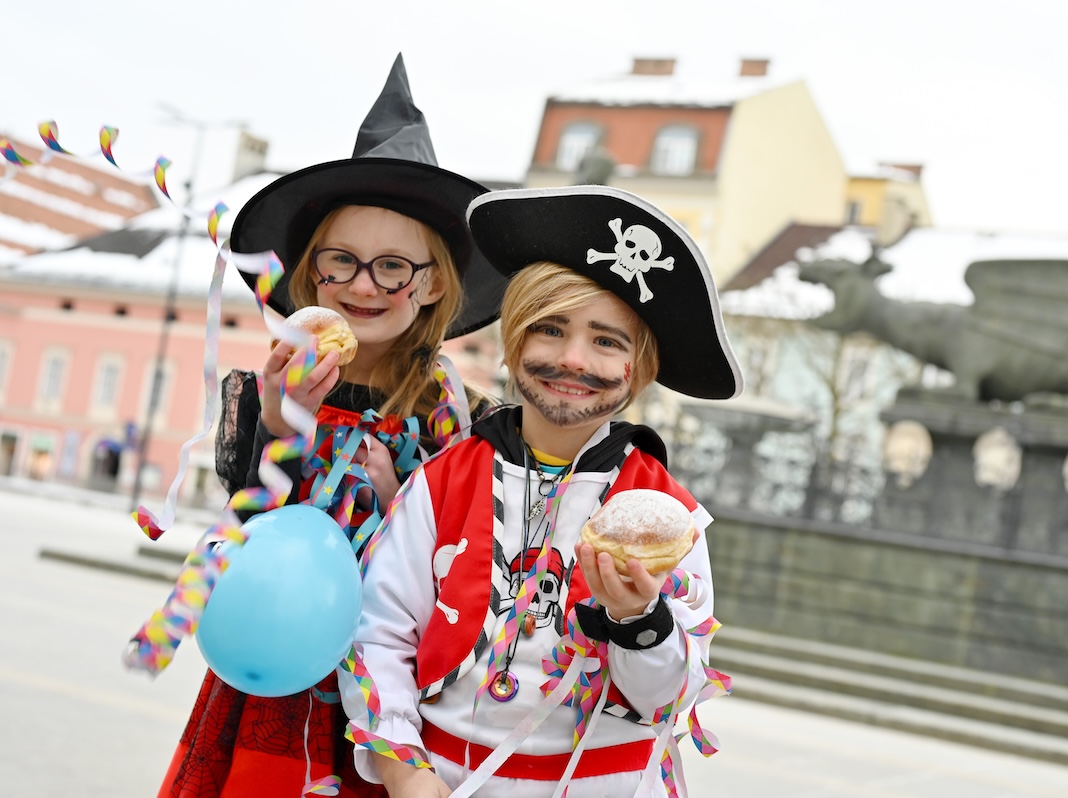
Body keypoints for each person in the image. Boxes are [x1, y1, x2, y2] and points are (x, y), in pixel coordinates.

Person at [157, 52, 507, 798]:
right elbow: (243, 522)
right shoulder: (276, 377)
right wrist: (289, 425)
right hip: (277, 680)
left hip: (388, 687)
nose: (361, 285)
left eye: (392, 268)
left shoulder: (454, 408)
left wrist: (397, 504)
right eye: (340, 262)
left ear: (434, 282)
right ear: (310, 273)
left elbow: (463, 550)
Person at [340, 185, 743, 797]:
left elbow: (669, 696)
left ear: (640, 365)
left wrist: (640, 619)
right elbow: (379, 634)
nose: (574, 358)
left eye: (608, 341)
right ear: (514, 341)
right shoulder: (441, 483)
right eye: (549, 330)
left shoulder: (667, 517)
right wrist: (404, 769)